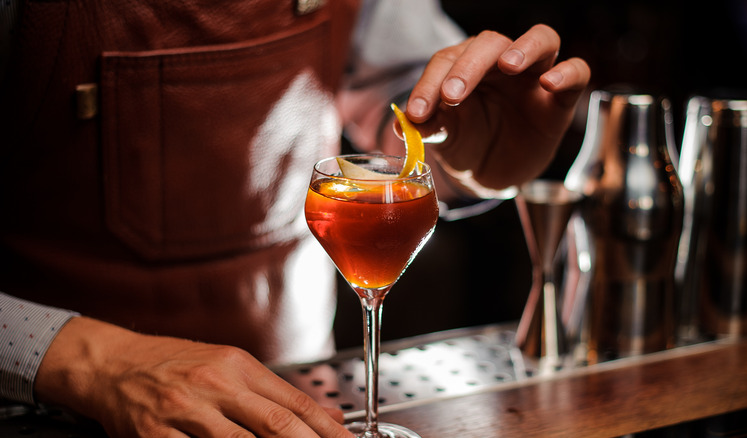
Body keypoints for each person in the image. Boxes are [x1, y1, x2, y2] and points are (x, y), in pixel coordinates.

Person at [0, 0, 590, 436]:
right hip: (54, 413)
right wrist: (91, 362)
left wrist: (469, 158)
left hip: (302, 405)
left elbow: (402, 108)